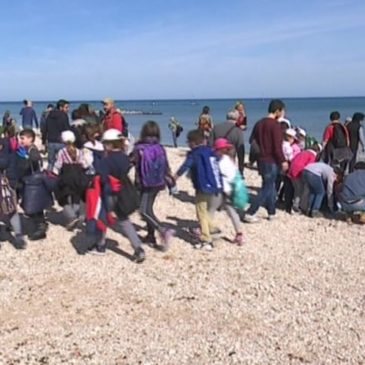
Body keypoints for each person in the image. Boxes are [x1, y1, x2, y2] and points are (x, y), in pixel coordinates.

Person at [86, 128, 145, 262]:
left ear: (110, 144)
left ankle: (100, 246)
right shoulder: (124, 157)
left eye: (106, 143)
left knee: (103, 218)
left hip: (109, 192)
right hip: (124, 190)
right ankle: (138, 248)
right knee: (124, 220)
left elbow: (102, 175)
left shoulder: (107, 160)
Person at [175, 129, 222, 251]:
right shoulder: (212, 152)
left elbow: (186, 166)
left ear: (193, 142)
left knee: (200, 211)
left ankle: (206, 239)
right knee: (205, 209)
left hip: (202, 186)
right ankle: (212, 229)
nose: (188, 145)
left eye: (188, 142)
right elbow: (216, 167)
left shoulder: (194, 153)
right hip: (215, 185)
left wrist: (175, 177)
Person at [131, 121, 175, 249]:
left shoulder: (139, 148)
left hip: (143, 183)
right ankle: (151, 236)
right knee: (149, 209)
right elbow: (166, 166)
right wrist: (170, 181)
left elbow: (130, 161)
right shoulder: (160, 148)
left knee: (143, 210)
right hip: (158, 183)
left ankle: (162, 230)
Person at [244, 99, 288, 222]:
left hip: (261, 159)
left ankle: (271, 212)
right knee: (267, 187)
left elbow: (252, 140)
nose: (284, 113)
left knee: (270, 186)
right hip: (271, 160)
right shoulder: (275, 125)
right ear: (278, 111)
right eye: (283, 111)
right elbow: (277, 147)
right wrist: (283, 161)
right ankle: (251, 212)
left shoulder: (259, 123)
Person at [52, 131, 92, 231]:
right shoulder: (79, 151)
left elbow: (58, 165)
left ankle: (71, 216)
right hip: (78, 175)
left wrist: (54, 175)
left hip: (67, 175)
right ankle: (78, 215)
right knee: (77, 195)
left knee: (62, 197)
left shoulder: (62, 151)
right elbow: (85, 164)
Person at [16, 129, 48, 240]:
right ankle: (40, 224)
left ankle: (41, 229)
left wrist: (26, 162)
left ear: (30, 139)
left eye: (23, 138)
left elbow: (35, 160)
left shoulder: (32, 150)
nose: (21, 141)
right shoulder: (28, 149)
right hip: (30, 181)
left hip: (34, 182)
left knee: (35, 205)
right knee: (32, 205)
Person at [213, 138, 245, 245]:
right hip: (231, 189)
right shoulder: (229, 159)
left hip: (223, 190)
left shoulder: (220, 161)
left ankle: (204, 229)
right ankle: (239, 234)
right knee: (231, 211)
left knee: (209, 209)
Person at [0, 137, 26, 249]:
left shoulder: (4, 157)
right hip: (10, 186)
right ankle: (19, 236)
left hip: (3, 185)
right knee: (12, 211)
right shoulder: (13, 154)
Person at [289, 143, 322, 212]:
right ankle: (296, 206)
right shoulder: (312, 156)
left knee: (296, 189)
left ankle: (294, 204)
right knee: (300, 190)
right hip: (299, 172)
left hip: (292, 170)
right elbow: (310, 167)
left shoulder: (303, 152)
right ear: (318, 151)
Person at [212, 110, 245, 176]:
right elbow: (240, 150)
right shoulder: (238, 130)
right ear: (236, 118)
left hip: (217, 159)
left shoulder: (216, 127)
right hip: (230, 161)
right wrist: (241, 169)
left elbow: (210, 145)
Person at [42, 99, 71, 171]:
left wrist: (44, 141)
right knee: (63, 162)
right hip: (61, 142)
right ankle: (61, 178)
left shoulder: (49, 115)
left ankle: (49, 178)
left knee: (50, 162)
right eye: (66, 107)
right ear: (61, 107)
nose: (68, 109)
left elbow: (45, 129)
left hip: (51, 141)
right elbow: (67, 129)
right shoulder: (64, 115)